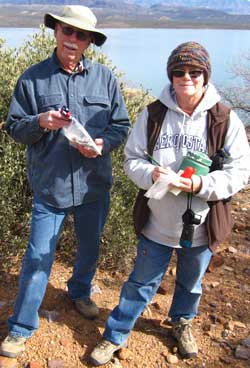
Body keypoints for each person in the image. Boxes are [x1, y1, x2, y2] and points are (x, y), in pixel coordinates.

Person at [90, 41, 250, 365]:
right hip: (157, 223)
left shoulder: (223, 119)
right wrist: (150, 174)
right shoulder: (153, 114)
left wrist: (200, 183)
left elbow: (240, 172)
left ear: (205, 75)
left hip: (201, 226)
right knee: (140, 283)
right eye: (178, 71)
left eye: (194, 71)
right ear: (171, 75)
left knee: (191, 285)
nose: (186, 77)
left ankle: (181, 322)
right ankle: (115, 334)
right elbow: (131, 159)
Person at [0, 5, 130, 358]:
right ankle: (22, 326)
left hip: (93, 184)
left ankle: (79, 292)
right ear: (55, 31)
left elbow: (121, 125)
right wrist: (40, 121)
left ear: (89, 41)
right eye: (67, 31)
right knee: (38, 256)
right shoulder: (32, 78)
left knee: (89, 247)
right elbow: (14, 127)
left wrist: (104, 144)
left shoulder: (105, 79)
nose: (73, 39)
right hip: (50, 186)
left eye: (81, 35)